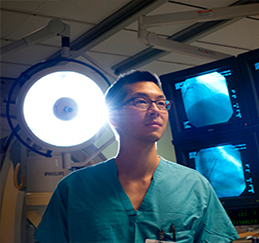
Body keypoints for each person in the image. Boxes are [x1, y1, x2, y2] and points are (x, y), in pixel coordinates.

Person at [34, 70, 239, 243]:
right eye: (141, 102)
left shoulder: (193, 186)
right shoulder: (74, 189)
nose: (155, 110)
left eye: (161, 103)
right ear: (113, 116)